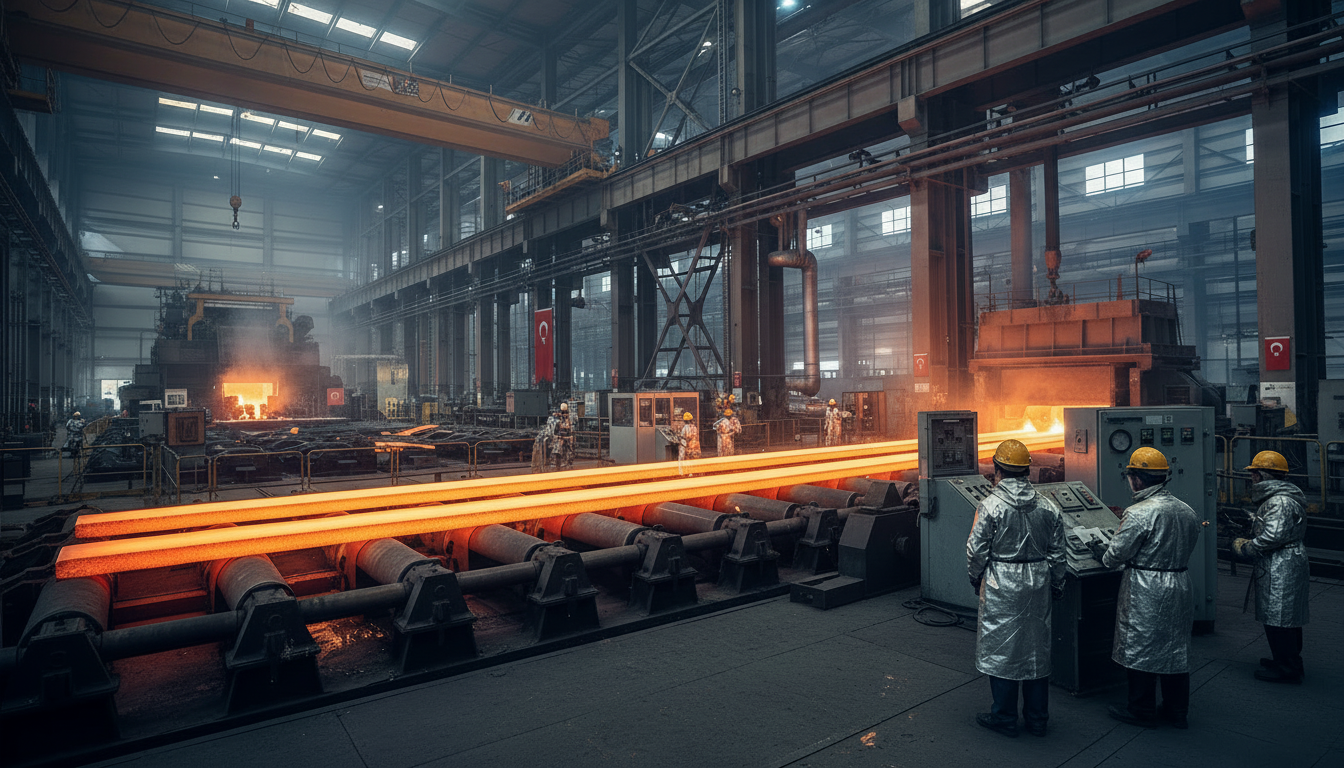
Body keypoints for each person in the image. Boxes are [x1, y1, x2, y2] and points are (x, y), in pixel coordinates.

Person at [1087, 447, 1201, 729]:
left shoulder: (1138, 513)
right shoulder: (1186, 511)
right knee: (1175, 648)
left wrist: (1100, 548)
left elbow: (1115, 557)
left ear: (1136, 479)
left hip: (1147, 587)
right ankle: (1177, 711)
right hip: (1179, 582)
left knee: (1141, 647)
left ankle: (1141, 709)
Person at [966, 439, 1066, 738]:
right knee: (1035, 650)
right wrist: (1057, 584)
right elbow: (1058, 553)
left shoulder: (990, 505)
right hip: (1038, 580)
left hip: (1002, 582)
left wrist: (976, 578)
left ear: (997, 470)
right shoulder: (1049, 506)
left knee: (1003, 651)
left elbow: (975, 550)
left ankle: (1004, 718)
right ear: (1027, 471)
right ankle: (1038, 720)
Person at [1232, 451, 1309, 684]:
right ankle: (1285, 660)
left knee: (1281, 618)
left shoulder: (1280, 501)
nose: (1252, 478)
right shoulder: (1279, 499)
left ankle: (1288, 669)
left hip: (1282, 564)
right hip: (1280, 563)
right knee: (1281, 616)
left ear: (1263, 475)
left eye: (1254, 473)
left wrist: (1245, 547)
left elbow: (1272, 538)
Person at [551, 403, 575, 471]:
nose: (565, 415)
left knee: (568, 453)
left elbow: (570, 430)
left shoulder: (568, 420)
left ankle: (566, 464)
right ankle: (559, 466)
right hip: (561, 439)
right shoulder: (559, 420)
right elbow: (556, 431)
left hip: (566, 438)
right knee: (559, 453)